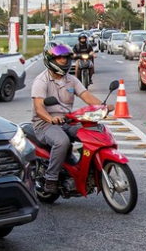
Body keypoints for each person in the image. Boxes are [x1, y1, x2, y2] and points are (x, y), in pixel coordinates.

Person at [31, 44, 113, 194]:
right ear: (51, 60)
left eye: (66, 57)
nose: (63, 60)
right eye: (59, 57)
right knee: (62, 141)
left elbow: (86, 95)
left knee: (93, 133)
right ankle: (51, 179)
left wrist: (103, 106)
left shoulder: (71, 79)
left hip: (67, 121)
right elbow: (38, 107)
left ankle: (87, 172)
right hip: (44, 124)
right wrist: (50, 118)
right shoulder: (41, 80)